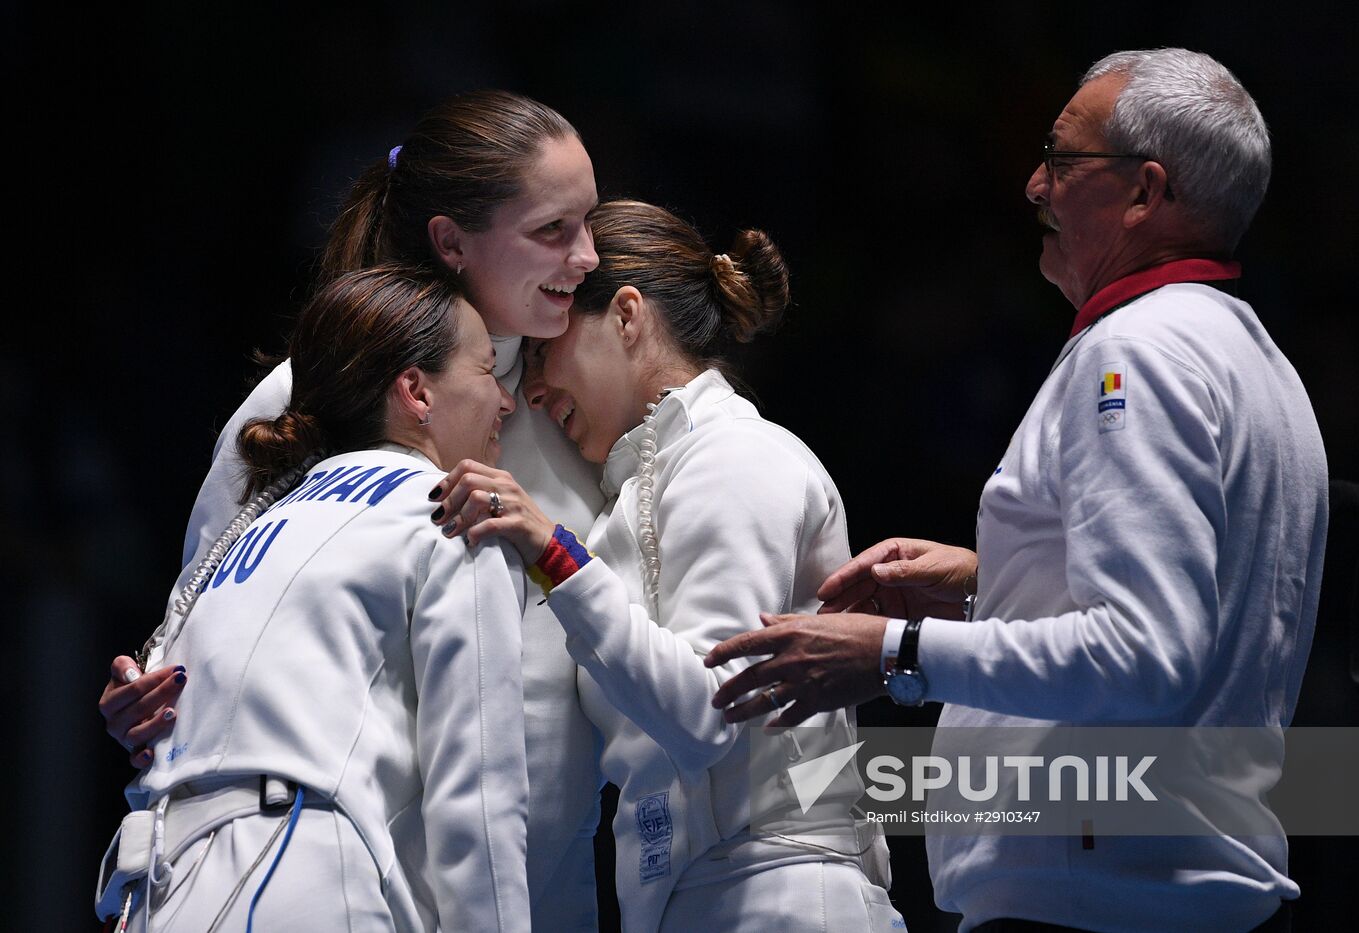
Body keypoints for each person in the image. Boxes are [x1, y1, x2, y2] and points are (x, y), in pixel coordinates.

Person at [707, 48, 1327, 932]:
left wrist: (892, 651)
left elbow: (1143, 657)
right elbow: (1193, 616)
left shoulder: (1139, 355)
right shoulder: (1251, 358)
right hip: (1156, 889)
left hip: (1096, 902)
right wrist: (989, 581)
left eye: (1063, 162)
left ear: (1146, 193)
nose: (1035, 185)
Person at [97, 90, 606, 929]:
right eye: (553, 230)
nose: (587, 256)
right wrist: (151, 695)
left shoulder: (587, 393)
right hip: (355, 881)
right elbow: (212, 612)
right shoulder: (308, 396)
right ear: (451, 241)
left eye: (589, 221)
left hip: (544, 889)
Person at [428, 199, 904, 932]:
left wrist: (554, 555)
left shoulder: (736, 455)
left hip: (783, 890)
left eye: (548, 346)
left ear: (626, 316)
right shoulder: (639, 495)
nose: (532, 389)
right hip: (695, 901)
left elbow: (711, 706)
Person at [95, 266, 527, 931]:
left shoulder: (253, 525)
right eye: (487, 369)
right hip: (301, 874)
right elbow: (479, 802)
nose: (506, 399)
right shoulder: (455, 515)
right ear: (415, 390)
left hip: (157, 889)